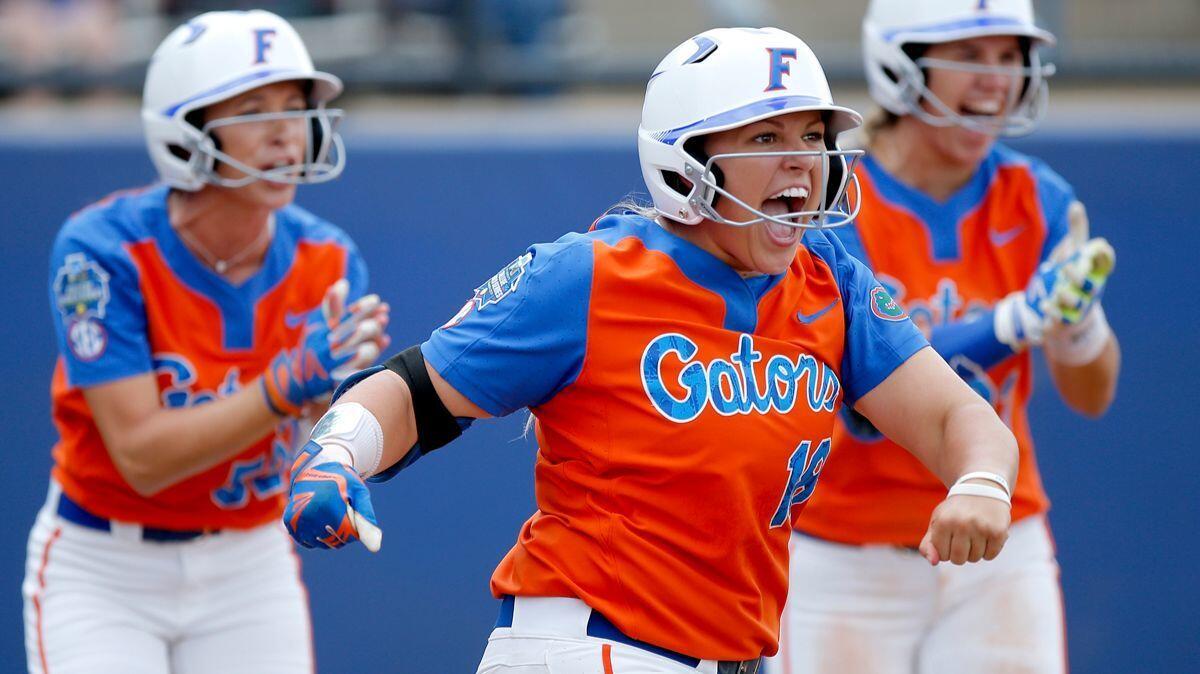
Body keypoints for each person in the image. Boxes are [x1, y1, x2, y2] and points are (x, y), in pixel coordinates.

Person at [285, 27, 1020, 674]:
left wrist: (981, 483)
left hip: (731, 655)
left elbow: (960, 416)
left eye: (811, 137)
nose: (801, 162)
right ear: (687, 162)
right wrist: (337, 454)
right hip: (590, 647)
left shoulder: (829, 281)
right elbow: (419, 389)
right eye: (766, 138)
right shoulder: (591, 273)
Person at [22, 10, 390, 674]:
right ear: (183, 132)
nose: (286, 131)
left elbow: (308, 435)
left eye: (294, 106)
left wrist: (335, 459)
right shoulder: (102, 250)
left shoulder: (328, 260)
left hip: (247, 561)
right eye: (252, 109)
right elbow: (141, 456)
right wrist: (283, 386)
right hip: (105, 565)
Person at [769, 2, 1121, 673]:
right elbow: (859, 408)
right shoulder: (831, 200)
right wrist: (1012, 323)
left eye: (1008, 57)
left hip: (1000, 535)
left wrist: (1078, 323)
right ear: (903, 64)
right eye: (969, 55)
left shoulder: (1034, 197)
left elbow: (1093, 395)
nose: (995, 78)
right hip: (845, 549)